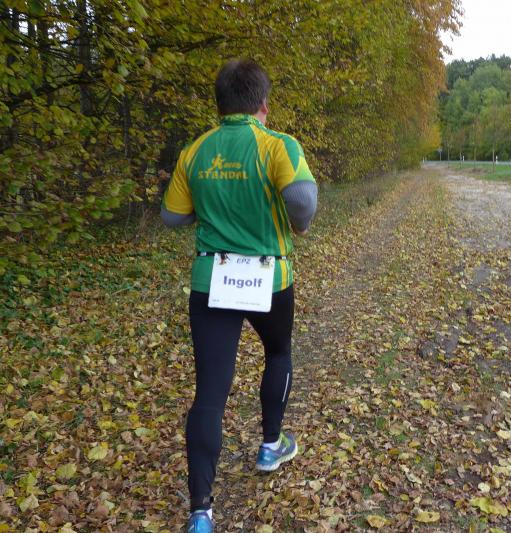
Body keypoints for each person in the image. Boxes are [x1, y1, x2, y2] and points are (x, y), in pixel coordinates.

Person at [160, 59, 318, 533]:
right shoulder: (278, 145)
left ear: (220, 104)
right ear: (263, 104)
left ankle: (201, 513)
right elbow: (303, 201)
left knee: (210, 392)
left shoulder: (196, 151)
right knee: (278, 352)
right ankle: (271, 446)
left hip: (212, 278)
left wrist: (209, 207)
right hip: (269, 276)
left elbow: (171, 216)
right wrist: (298, 225)